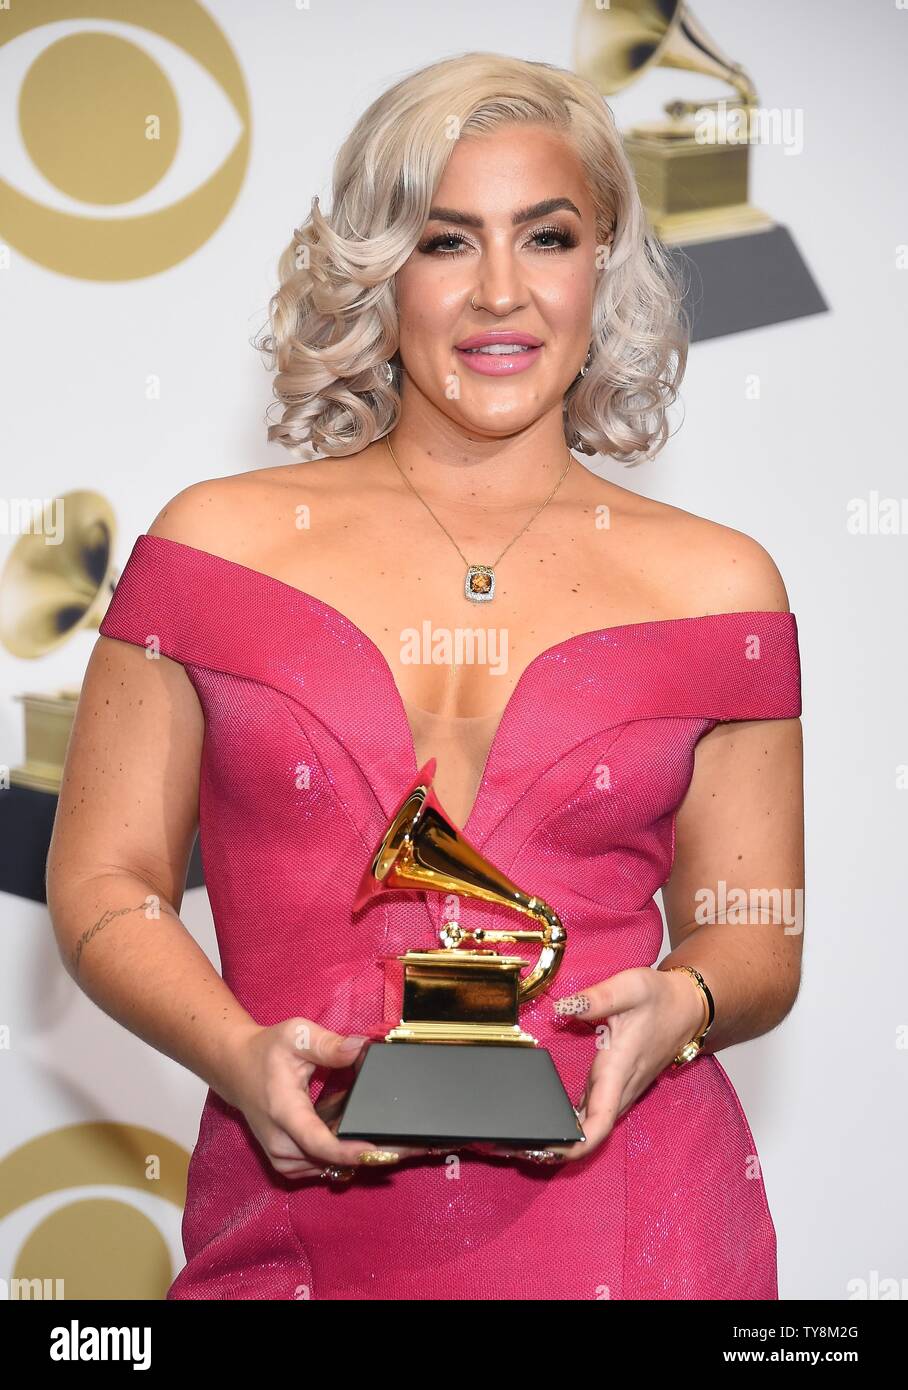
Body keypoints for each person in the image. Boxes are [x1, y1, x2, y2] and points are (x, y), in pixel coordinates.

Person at [46, 51, 803, 1300]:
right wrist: (238, 1054)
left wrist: (685, 1001)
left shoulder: (719, 585)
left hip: (634, 1217)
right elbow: (102, 877)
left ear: (600, 258)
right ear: (379, 267)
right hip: (296, 1212)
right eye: (447, 241)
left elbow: (757, 936)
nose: (500, 293)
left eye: (545, 237)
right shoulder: (212, 546)